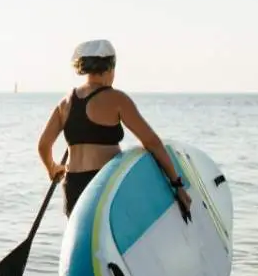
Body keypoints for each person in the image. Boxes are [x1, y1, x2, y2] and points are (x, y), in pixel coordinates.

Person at [37, 39, 192, 218]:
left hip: (73, 185)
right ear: (110, 67)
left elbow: (43, 145)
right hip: (104, 185)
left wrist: (52, 168)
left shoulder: (65, 102)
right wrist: (177, 183)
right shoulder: (117, 99)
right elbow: (152, 142)